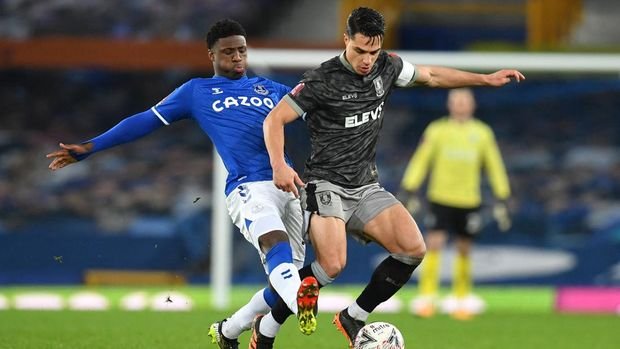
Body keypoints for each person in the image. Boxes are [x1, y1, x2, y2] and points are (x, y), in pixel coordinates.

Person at [259, 6, 525, 349]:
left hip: (366, 186)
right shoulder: (320, 81)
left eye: (373, 51)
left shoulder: (388, 66)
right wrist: (279, 165)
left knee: (413, 250)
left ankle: (353, 316)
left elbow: (432, 76)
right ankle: (265, 328)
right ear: (345, 40)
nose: (367, 60)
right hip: (325, 185)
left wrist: (485, 79)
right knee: (332, 265)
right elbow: (274, 120)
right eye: (359, 51)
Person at [45, 19, 319, 349]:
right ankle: (302, 299)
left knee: (283, 279)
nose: (236, 57)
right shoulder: (196, 91)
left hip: (288, 183)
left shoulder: (271, 89)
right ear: (211, 55)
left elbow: (319, 118)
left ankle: (229, 331)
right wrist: (91, 147)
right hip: (247, 186)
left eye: (241, 50)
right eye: (228, 51)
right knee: (274, 245)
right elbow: (144, 120)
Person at [400, 88, 512, 320]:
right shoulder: (437, 130)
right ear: (449, 105)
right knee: (433, 244)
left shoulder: (482, 133)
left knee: (464, 247)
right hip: (440, 197)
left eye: (464, 101)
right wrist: (410, 186)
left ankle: (461, 299)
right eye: (456, 101)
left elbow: (494, 164)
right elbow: (422, 159)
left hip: (469, 199)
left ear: (472, 105)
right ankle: (427, 298)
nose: (460, 105)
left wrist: (502, 193)